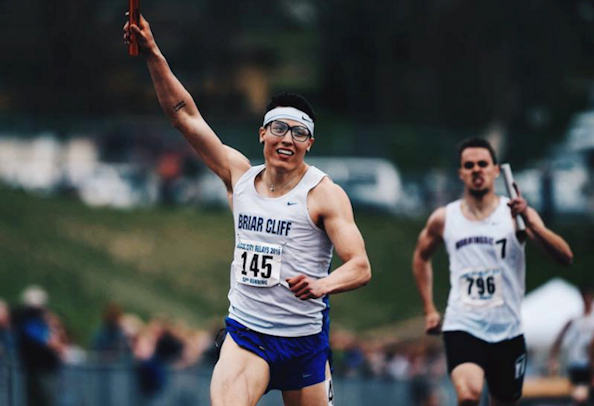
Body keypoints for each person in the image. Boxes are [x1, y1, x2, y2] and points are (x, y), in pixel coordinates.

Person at [123, 15, 372, 406]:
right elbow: (184, 116)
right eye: (278, 128)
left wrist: (322, 285)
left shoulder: (324, 195)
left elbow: (360, 265)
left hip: (303, 342)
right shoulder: (237, 176)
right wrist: (153, 52)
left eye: (298, 132)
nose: (287, 139)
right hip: (248, 335)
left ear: (309, 143)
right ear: (262, 134)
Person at [412, 137, 573, 406]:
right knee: (468, 395)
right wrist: (429, 309)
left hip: (507, 330)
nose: (477, 169)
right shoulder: (444, 218)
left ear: (496, 170)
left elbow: (565, 256)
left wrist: (532, 225)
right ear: (461, 173)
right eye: (470, 165)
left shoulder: (516, 214)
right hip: (462, 323)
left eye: (483, 164)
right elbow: (421, 257)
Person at [549, 284, 594, 406]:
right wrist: (553, 357)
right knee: (580, 397)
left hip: (588, 365)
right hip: (577, 364)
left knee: (582, 397)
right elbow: (560, 336)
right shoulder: (576, 319)